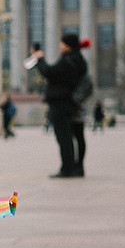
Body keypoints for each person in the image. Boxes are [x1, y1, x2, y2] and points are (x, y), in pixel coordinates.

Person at [29, 33, 88, 177]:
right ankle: (78, 167)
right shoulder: (79, 60)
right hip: (74, 102)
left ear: (67, 45)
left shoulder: (68, 61)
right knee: (77, 136)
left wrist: (40, 59)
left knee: (64, 137)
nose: (60, 46)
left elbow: (49, 73)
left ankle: (67, 168)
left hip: (61, 103)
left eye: (62, 43)